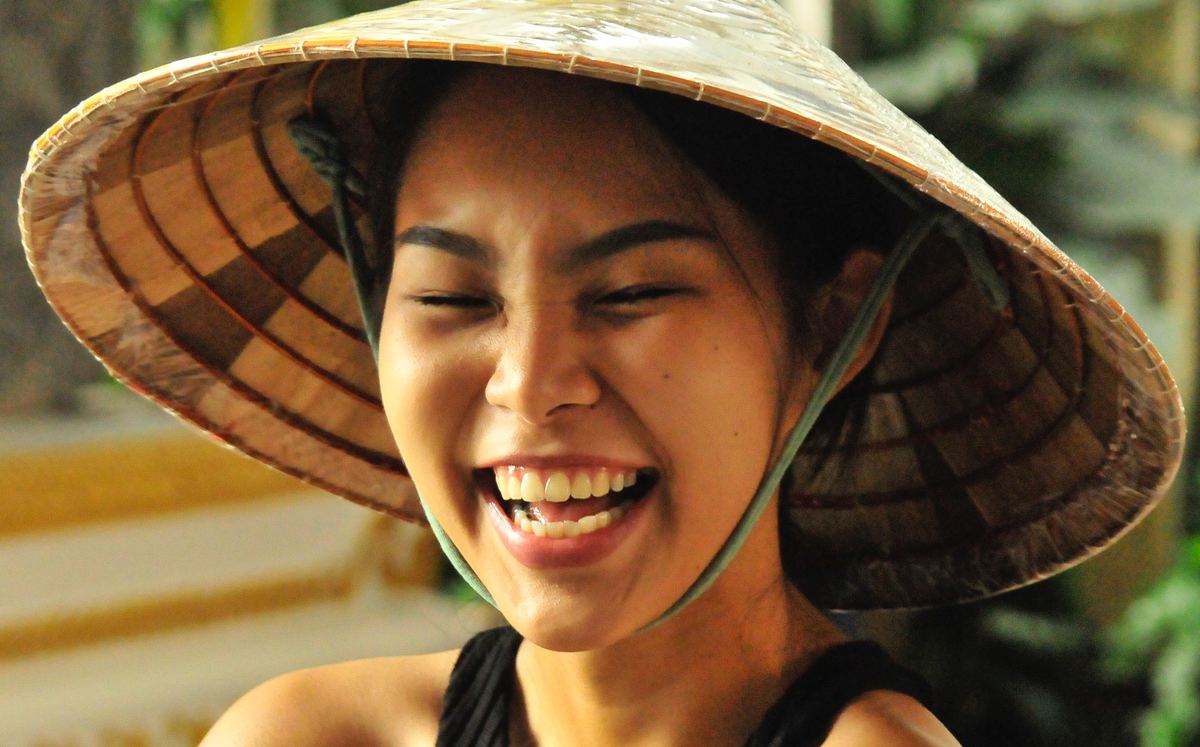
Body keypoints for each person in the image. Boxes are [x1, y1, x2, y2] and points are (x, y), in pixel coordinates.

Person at [18, 1, 1184, 745]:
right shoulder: (303, 737)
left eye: (631, 295)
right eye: (453, 300)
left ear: (832, 329)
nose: (528, 385)